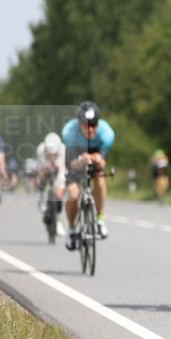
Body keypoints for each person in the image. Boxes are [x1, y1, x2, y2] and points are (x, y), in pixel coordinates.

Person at [61, 101, 116, 250]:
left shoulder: (106, 133)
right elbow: (71, 163)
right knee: (73, 193)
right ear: (79, 123)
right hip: (76, 158)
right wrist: (81, 160)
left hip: (95, 154)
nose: (91, 129)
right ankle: (72, 230)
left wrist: (99, 159)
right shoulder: (69, 132)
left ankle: (100, 220)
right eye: (86, 125)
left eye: (94, 125)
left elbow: (103, 162)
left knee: (100, 179)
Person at [35, 132, 67, 237]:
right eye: (49, 153)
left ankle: (58, 221)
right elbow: (41, 169)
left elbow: (61, 168)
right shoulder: (40, 149)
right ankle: (41, 199)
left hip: (59, 169)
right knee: (42, 179)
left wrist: (59, 185)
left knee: (59, 193)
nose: (51, 155)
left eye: (54, 153)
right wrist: (45, 170)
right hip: (45, 168)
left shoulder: (63, 149)